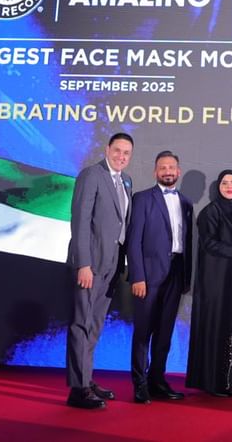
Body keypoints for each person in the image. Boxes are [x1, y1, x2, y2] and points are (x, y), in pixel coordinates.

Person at [65, 132, 134, 409]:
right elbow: (80, 221)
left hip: (112, 265)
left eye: (126, 153)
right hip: (91, 265)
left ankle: (86, 378)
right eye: (117, 150)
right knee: (81, 323)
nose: (121, 156)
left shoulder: (126, 181)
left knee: (94, 324)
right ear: (107, 149)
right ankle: (78, 389)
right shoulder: (91, 175)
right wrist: (83, 263)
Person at [185, 169, 232, 396]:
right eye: (225, 183)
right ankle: (215, 382)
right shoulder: (210, 212)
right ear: (218, 186)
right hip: (217, 281)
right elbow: (210, 244)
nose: (229, 186)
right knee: (219, 325)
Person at [126, 150, 194, 404]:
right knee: (144, 332)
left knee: (165, 333)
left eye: (171, 167)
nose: (167, 171)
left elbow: (187, 242)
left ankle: (157, 380)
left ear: (178, 171)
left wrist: (185, 278)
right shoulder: (143, 198)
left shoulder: (186, 203)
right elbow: (134, 241)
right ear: (155, 171)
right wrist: (137, 276)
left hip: (176, 274)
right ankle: (140, 384)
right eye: (162, 167)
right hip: (148, 276)